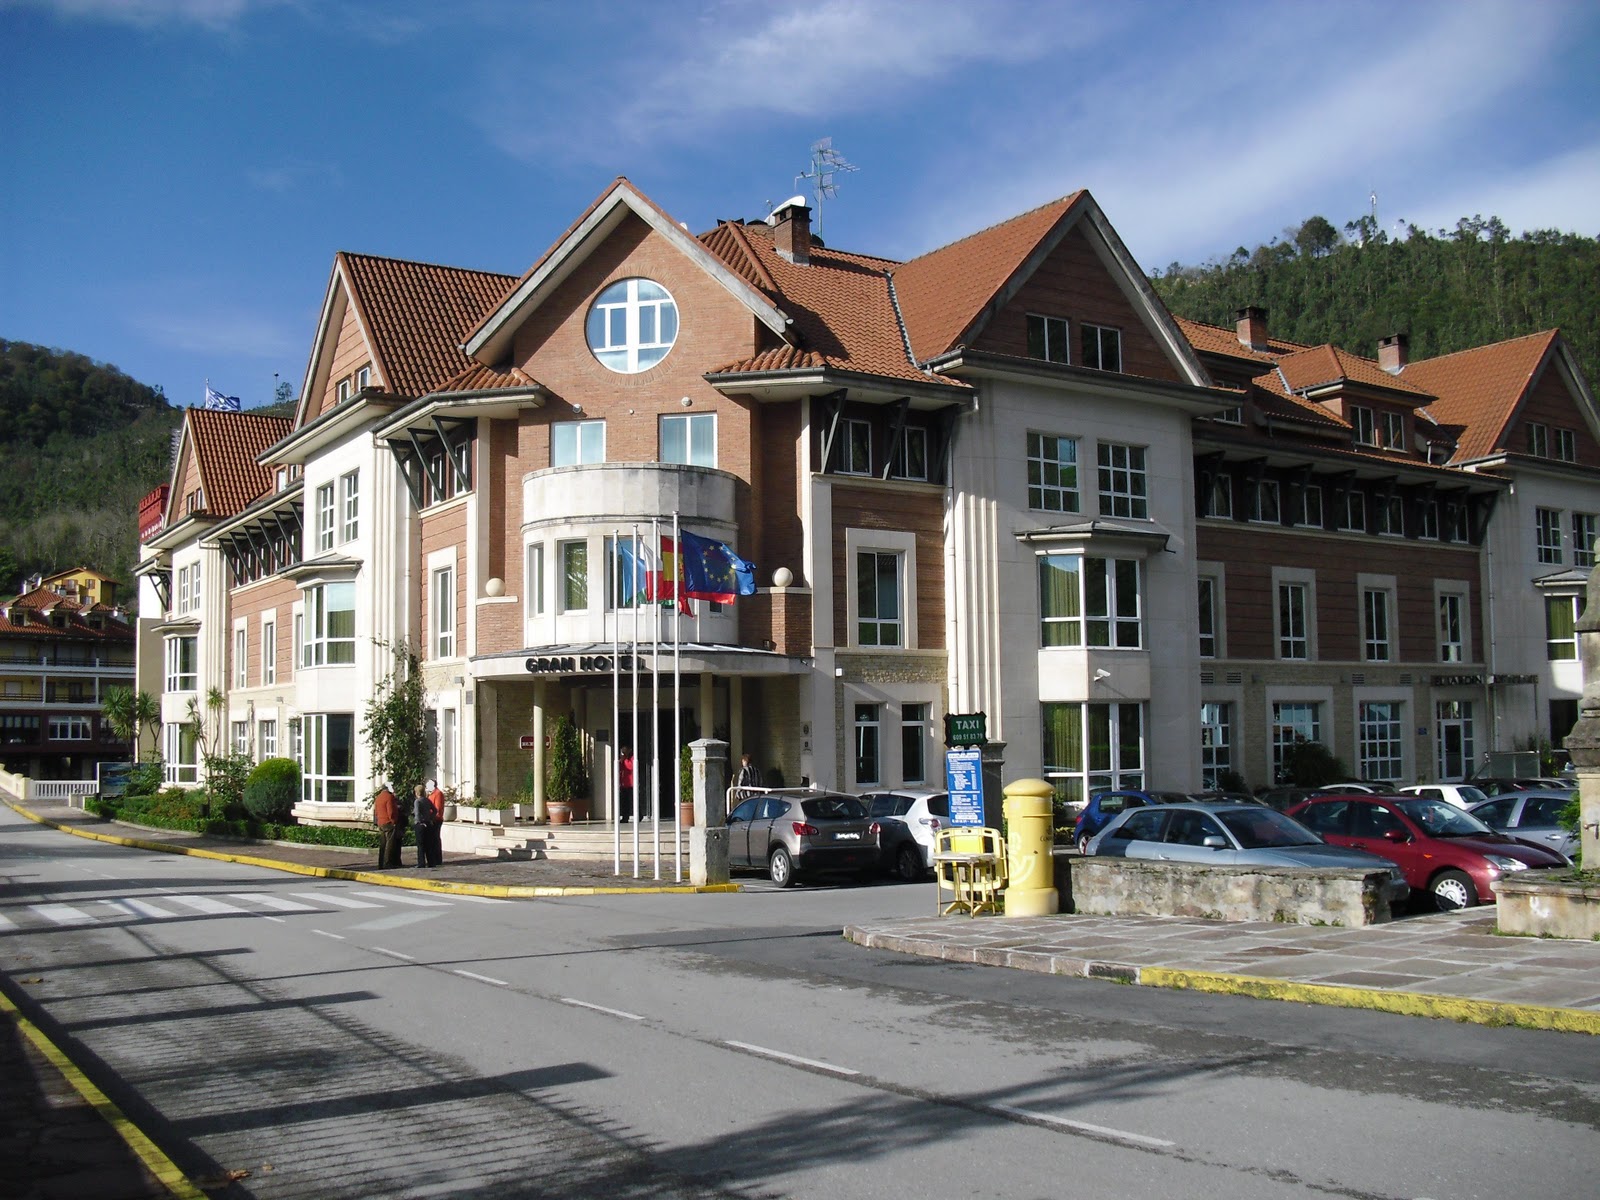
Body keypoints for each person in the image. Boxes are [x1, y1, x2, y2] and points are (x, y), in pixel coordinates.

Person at [374, 781, 401, 868]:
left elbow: (376, 811)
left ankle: (381, 863)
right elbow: (391, 811)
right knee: (390, 844)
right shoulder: (389, 797)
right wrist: (393, 821)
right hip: (388, 822)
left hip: (381, 822)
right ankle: (387, 862)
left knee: (383, 843)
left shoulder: (378, 797)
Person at [412, 784, 436, 868]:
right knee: (428, 844)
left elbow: (417, 813)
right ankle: (431, 862)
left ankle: (421, 862)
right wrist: (430, 818)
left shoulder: (417, 801)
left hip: (420, 824)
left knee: (420, 844)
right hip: (428, 823)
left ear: (416, 792)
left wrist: (418, 821)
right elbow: (435, 810)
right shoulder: (427, 800)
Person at [425, 778, 446, 868]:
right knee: (432, 839)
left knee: (435, 839)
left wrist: (433, 817)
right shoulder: (431, 794)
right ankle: (434, 858)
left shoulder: (438, 794)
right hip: (432, 818)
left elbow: (437, 808)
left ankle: (437, 859)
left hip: (436, 819)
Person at [619, 746, 635, 822]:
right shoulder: (623, 760)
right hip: (624, 784)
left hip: (631, 784)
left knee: (632, 800)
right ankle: (625, 817)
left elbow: (630, 767)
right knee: (624, 802)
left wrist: (625, 759)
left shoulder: (632, 758)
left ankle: (639, 814)